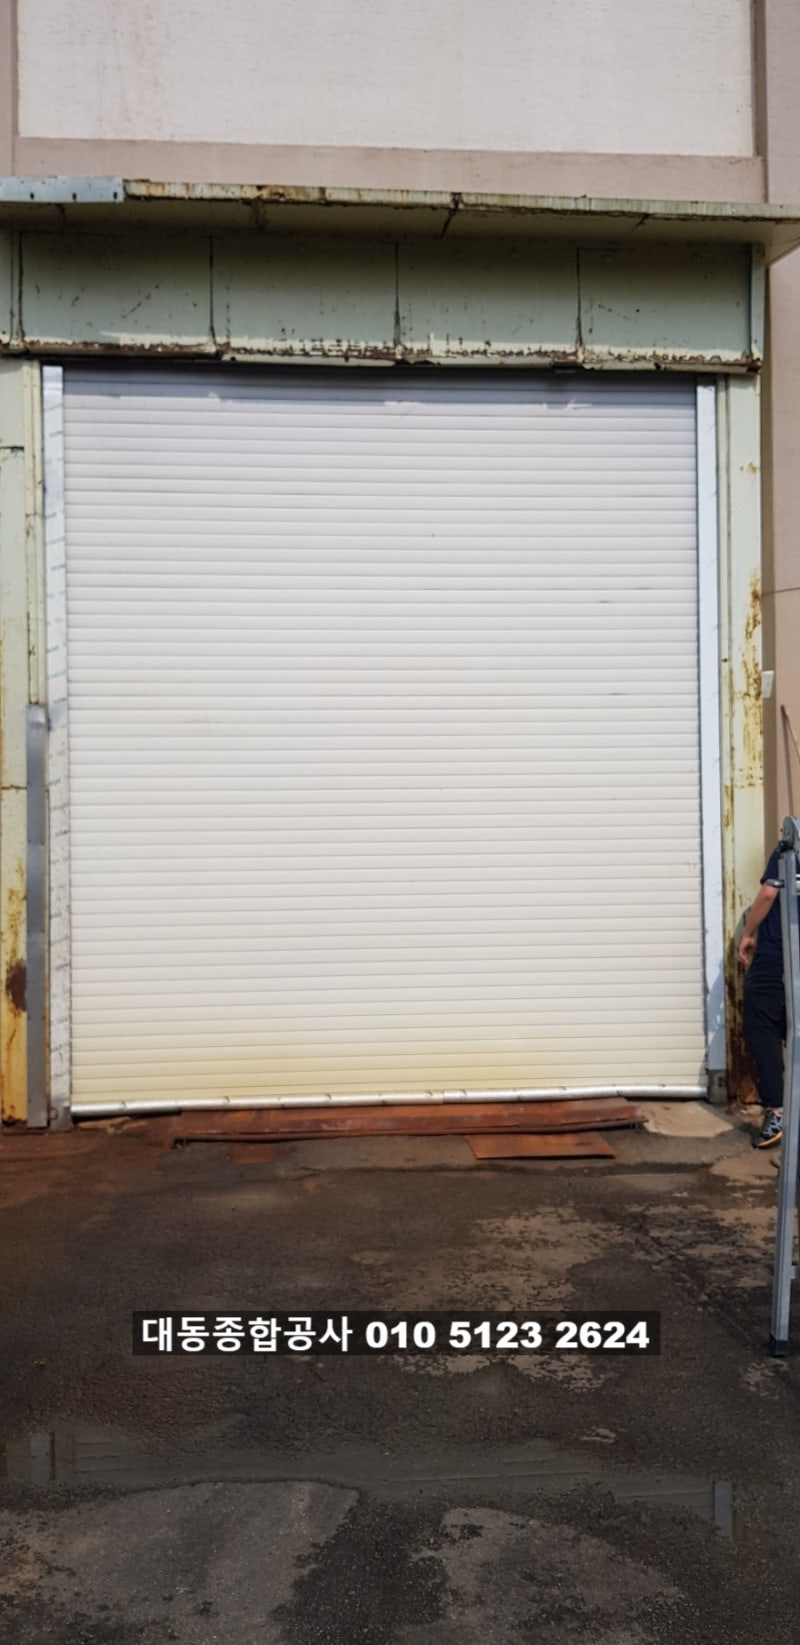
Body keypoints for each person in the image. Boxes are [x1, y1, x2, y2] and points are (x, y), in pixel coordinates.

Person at [739, 845, 792, 1147]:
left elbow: (769, 893)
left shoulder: (790, 849)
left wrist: (748, 932)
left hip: (776, 958)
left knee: (761, 1028)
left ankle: (778, 1113)